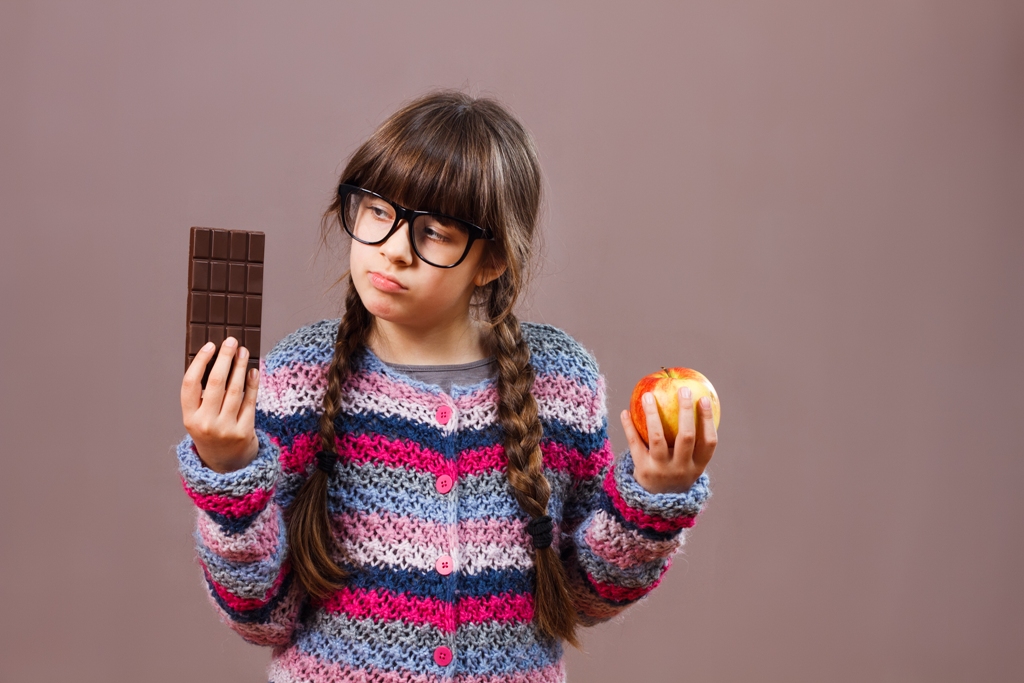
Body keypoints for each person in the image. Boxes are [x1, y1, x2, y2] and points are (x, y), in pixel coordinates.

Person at [176, 90, 717, 683]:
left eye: (435, 232)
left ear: (491, 262)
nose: (393, 250)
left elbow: (585, 599)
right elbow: (261, 618)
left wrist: (652, 498)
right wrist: (228, 470)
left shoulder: (560, 382)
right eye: (378, 211)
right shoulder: (302, 375)